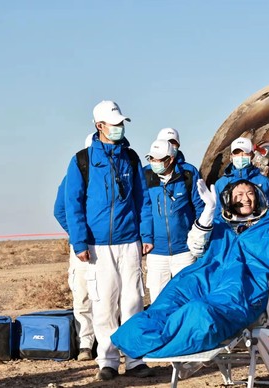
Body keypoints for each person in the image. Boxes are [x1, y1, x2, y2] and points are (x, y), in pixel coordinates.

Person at [110, 179, 269, 359]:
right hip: (202, 277)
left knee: (201, 312)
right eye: (239, 195)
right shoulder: (218, 224)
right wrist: (208, 211)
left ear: (258, 197)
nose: (245, 199)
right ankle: (140, 337)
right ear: (229, 199)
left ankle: (166, 339)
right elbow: (195, 246)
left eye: (250, 194)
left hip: (243, 284)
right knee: (166, 306)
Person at [64, 100, 155, 381]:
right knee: (104, 304)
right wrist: (79, 242)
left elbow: (143, 199)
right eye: (114, 124)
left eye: (121, 123)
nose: (119, 128)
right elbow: (72, 203)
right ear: (99, 126)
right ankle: (108, 361)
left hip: (129, 242)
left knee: (133, 301)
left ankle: (136, 359)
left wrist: (146, 234)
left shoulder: (131, 158)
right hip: (96, 246)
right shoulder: (82, 160)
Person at [142, 137, 205, 302]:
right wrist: (146, 238)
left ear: (170, 159)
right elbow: (144, 210)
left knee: (187, 299)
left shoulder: (188, 174)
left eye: (158, 159)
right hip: (156, 252)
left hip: (184, 251)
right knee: (158, 300)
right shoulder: (145, 175)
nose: (154, 162)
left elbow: (199, 207)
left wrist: (197, 237)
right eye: (151, 158)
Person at [53, 133, 95, 362]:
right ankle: (86, 344)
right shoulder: (72, 177)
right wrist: (78, 235)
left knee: (110, 295)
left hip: (108, 244)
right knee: (83, 294)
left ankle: (109, 343)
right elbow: (61, 209)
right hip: (82, 247)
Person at [214, 137, 269, 216]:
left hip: (259, 226)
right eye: (237, 153)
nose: (241, 156)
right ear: (231, 156)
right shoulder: (220, 183)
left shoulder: (264, 182)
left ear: (252, 155)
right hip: (230, 227)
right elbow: (218, 213)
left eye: (245, 153)